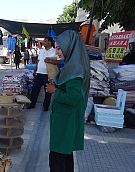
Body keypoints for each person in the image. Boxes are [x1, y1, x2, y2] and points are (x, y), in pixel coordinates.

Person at [46, 30, 90, 172]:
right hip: (64, 120)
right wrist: (56, 84)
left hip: (66, 122)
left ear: (70, 47)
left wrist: (55, 91)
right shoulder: (72, 65)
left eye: (59, 48)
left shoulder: (75, 69)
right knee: (65, 156)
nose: (57, 52)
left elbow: (72, 97)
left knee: (57, 160)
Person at [26, 37, 60, 110]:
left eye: (45, 41)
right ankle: (32, 104)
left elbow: (59, 62)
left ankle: (46, 106)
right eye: (44, 41)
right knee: (35, 88)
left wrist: (50, 61)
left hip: (48, 74)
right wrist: (35, 70)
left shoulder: (54, 51)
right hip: (39, 73)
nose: (44, 43)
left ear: (50, 42)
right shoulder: (41, 50)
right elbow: (38, 61)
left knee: (47, 90)